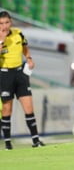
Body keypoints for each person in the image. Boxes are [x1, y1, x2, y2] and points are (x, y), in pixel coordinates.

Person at [0, 11, 45, 149]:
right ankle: (7, 143)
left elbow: (25, 47)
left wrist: (29, 58)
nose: (5, 26)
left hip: (20, 73)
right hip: (5, 75)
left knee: (29, 108)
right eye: (1, 23)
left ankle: (36, 141)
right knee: (7, 110)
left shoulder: (18, 33)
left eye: (7, 22)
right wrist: (1, 40)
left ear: (11, 22)